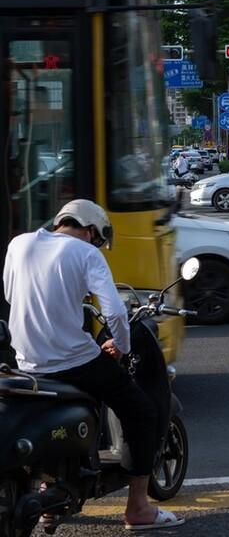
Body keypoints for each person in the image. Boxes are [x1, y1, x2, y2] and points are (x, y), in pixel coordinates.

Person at [2, 200, 183, 530]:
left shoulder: (19, 243)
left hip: (26, 363)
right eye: (98, 240)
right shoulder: (86, 253)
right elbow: (114, 311)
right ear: (89, 230)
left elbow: (13, 297)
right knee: (141, 412)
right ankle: (139, 508)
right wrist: (122, 346)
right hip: (73, 362)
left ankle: (50, 493)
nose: (97, 246)